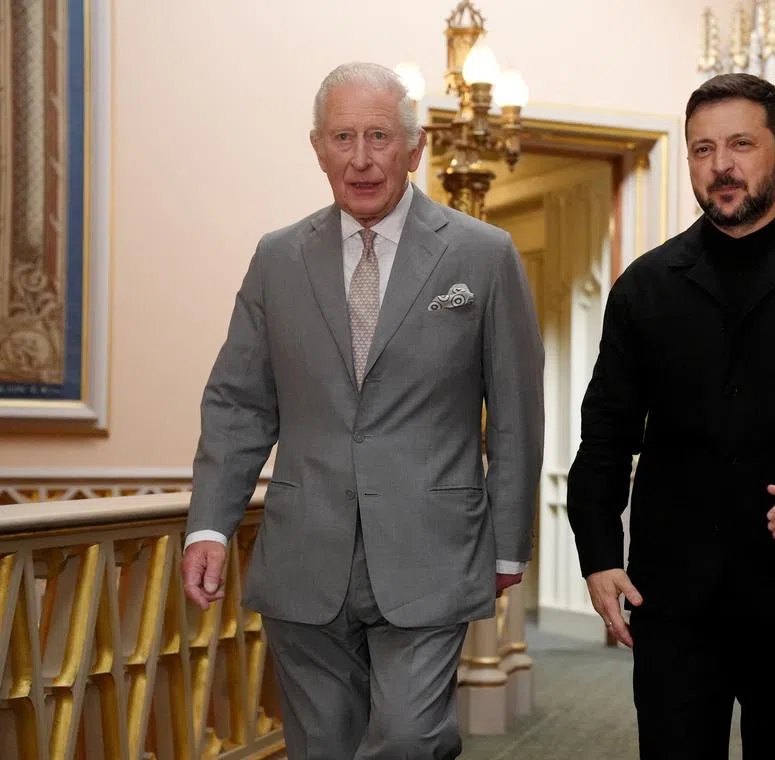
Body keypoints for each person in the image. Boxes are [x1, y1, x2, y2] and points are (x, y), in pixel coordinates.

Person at [180, 62, 544, 760]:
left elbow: (516, 412)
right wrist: (210, 526)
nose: (361, 157)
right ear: (317, 147)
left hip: (431, 551)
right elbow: (238, 402)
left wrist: (508, 541)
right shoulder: (277, 257)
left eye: (379, 135)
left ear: (415, 148)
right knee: (322, 746)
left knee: (410, 738)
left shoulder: (482, 255)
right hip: (304, 552)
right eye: (342, 136)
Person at [565, 72, 775, 759]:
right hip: (673, 597)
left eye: (741, 144)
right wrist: (599, 553)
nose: (720, 165)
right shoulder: (645, 287)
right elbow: (605, 432)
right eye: (702, 149)